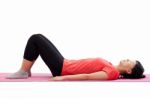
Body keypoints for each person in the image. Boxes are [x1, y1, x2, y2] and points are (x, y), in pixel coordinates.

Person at [6, 34, 145, 81]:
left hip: (62, 69)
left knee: (36, 38)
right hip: (65, 63)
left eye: (129, 61)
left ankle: (23, 71)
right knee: (38, 38)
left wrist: (62, 78)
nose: (126, 59)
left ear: (129, 71)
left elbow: (88, 77)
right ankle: (26, 70)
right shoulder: (110, 65)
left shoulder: (112, 73)